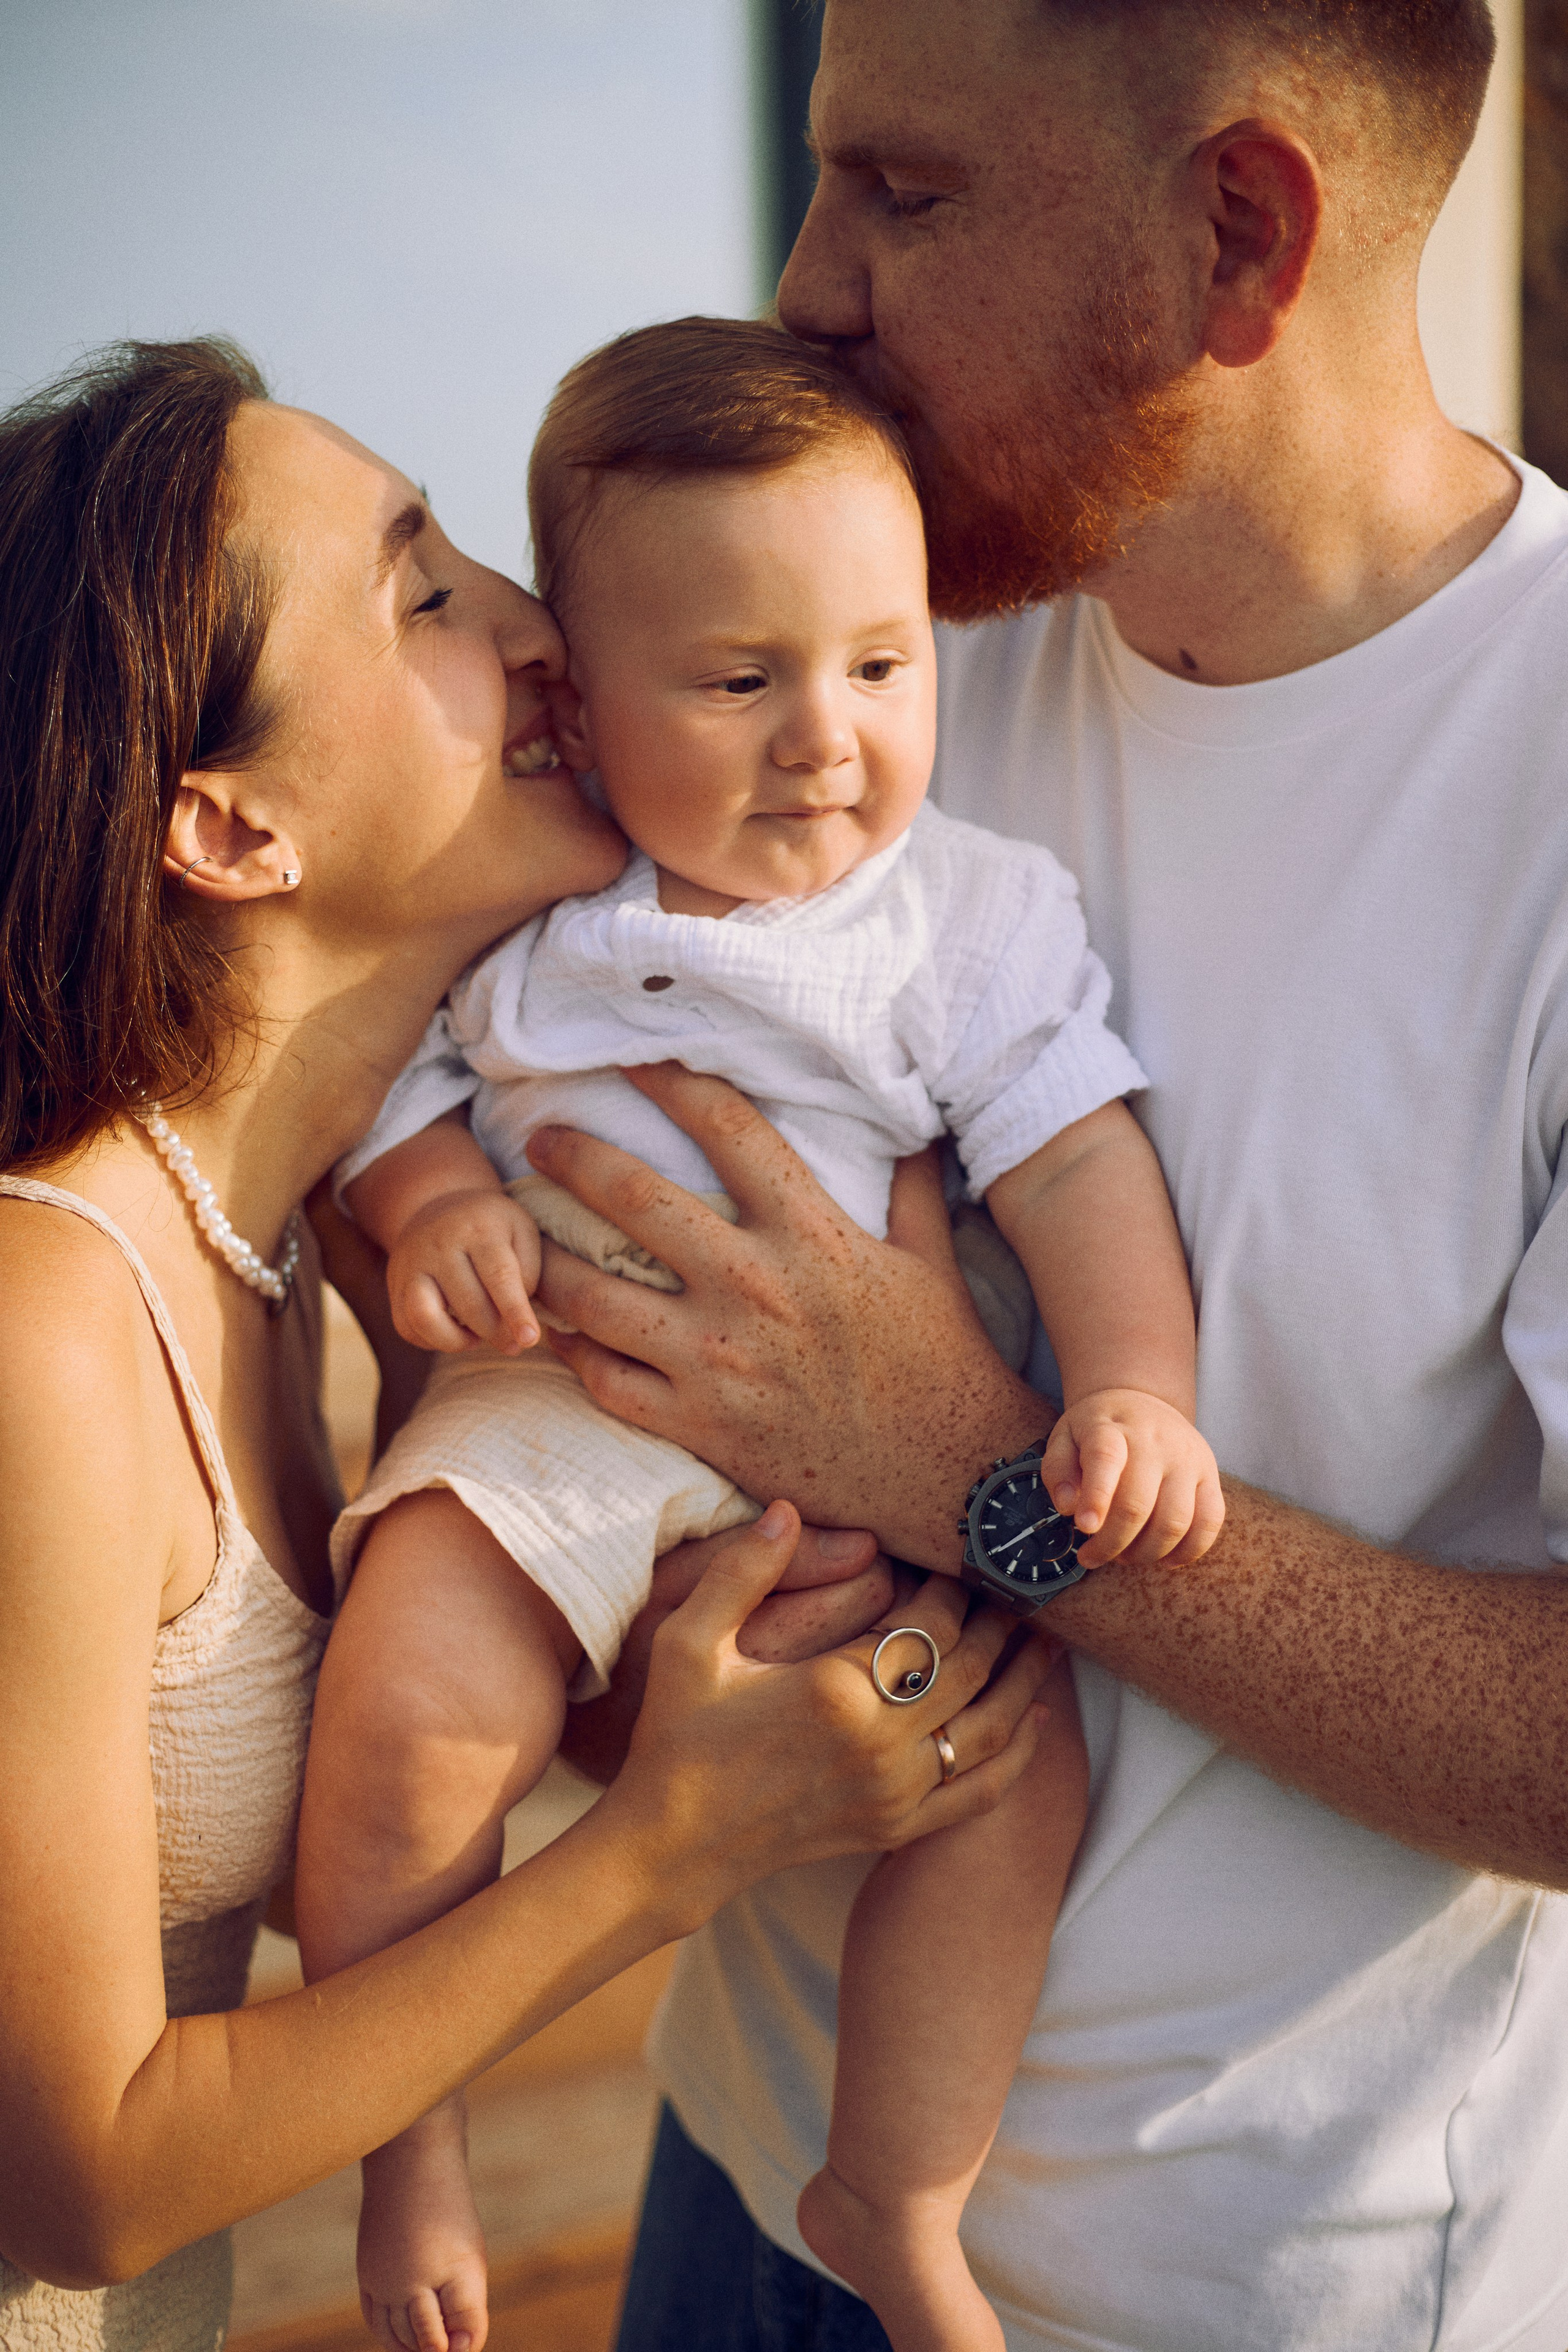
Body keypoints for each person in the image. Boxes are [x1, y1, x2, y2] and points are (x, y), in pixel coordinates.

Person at [503, 5, 1568, 2349]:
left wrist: (976, 1465)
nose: (803, 282)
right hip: (733, 2175)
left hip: (1243, 2302)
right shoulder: (853, 664)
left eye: (906, 192)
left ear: (1238, 234)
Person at [0, 335, 1052, 2352]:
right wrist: (670, 1846)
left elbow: (354, 1827)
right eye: (422, 589)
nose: (535, 624)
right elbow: (90, 2177)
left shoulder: (305, 1240)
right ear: (229, 833)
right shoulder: (48, 1316)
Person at [301, 314, 1224, 2352]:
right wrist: (436, 1198)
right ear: (582, 703)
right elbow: (385, 1079)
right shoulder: (534, 903)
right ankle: (407, 2132)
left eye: (879, 668)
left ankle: (896, 2188)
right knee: (407, 1697)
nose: (826, 737)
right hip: (574, 1404)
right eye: (739, 682)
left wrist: (1136, 1383)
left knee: (1014, 1766)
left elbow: (1076, 1157)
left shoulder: (961, 915)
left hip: (882, 1456)